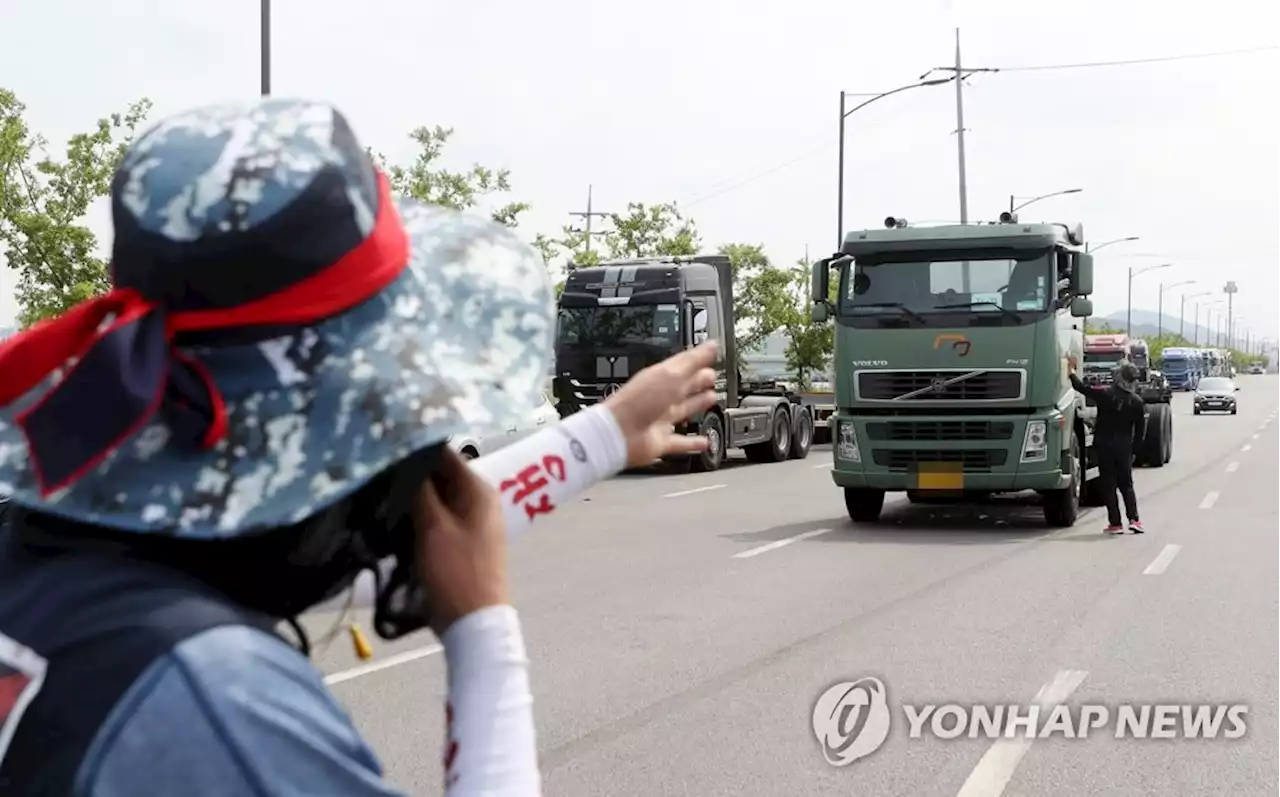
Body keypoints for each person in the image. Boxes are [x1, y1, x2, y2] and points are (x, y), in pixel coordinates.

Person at [0, 98, 718, 797]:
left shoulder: (59, 557)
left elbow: (385, 538)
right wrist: (482, 633)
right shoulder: (219, 707)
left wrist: (600, 436)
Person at [1068, 356, 1146, 534]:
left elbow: (1081, 387)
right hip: (1124, 447)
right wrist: (1135, 451)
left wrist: (1071, 372)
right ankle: (1134, 520)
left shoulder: (1105, 394)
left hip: (1104, 445)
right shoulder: (1137, 402)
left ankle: (1115, 523)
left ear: (1119, 377)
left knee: (1109, 484)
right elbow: (1140, 432)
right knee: (1126, 485)